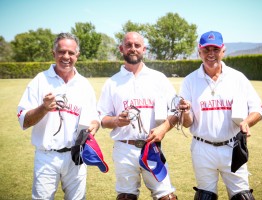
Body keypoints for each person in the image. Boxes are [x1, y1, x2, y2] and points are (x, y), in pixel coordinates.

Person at [178, 31, 262, 200]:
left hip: (233, 147)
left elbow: (258, 109)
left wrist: (247, 122)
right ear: (199, 51)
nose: (211, 54)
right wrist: (185, 111)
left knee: (243, 197)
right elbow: (187, 123)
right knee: (204, 196)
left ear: (223, 50)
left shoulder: (237, 78)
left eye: (215, 49)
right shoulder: (190, 80)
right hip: (202, 148)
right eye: (206, 49)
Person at [17, 32, 100, 200]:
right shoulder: (40, 80)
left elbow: (95, 118)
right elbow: (24, 120)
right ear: (53, 53)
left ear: (77, 55)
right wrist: (43, 108)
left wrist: (94, 126)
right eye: (61, 52)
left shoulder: (84, 84)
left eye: (71, 53)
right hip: (47, 156)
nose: (66, 56)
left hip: (76, 157)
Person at [97, 32, 178, 200]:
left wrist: (163, 128)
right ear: (121, 49)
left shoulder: (158, 78)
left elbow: (176, 111)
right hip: (124, 148)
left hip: (152, 148)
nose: (133, 49)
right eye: (128, 45)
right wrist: (116, 121)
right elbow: (103, 119)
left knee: (166, 197)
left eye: (137, 45)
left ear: (144, 49)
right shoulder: (112, 82)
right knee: (126, 197)